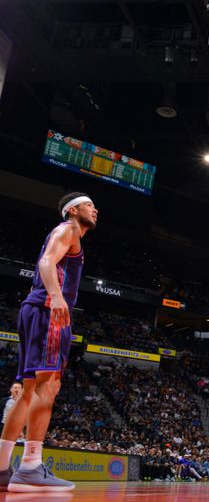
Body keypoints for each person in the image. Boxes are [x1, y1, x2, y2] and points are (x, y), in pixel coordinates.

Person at [0, 192, 98, 492]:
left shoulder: (67, 234)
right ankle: (30, 466)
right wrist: (56, 296)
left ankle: (2, 468)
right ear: (72, 209)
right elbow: (46, 261)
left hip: (34, 309)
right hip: (47, 311)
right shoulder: (68, 228)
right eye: (89, 205)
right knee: (48, 385)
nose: (95, 210)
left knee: (28, 390)